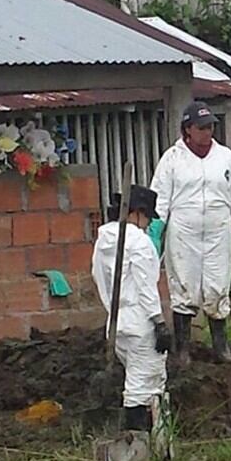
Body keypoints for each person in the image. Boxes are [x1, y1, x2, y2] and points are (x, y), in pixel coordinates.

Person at [149, 101, 231, 365]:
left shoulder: (224, 157)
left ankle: (221, 348)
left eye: (210, 126)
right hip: (184, 231)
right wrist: (156, 228)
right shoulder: (173, 159)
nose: (207, 132)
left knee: (217, 284)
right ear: (187, 129)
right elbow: (160, 197)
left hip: (218, 230)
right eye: (201, 127)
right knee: (184, 286)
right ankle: (182, 350)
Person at [91, 185, 172, 432]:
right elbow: (146, 287)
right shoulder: (139, 242)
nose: (148, 224)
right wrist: (159, 322)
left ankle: (139, 438)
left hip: (117, 322)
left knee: (134, 377)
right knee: (145, 383)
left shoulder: (103, 241)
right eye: (147, 218)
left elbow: (98, 278)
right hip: (140, 322)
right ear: (137, 213)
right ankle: (139, 441)